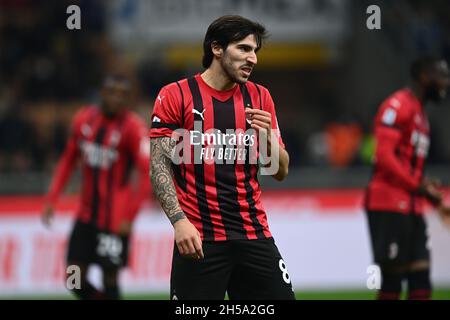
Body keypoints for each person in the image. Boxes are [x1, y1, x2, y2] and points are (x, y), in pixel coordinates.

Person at [149, 15, 294, 300]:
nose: (252, 58)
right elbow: (158, 165)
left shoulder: (260, 97)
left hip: (253, 235)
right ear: (217, 48)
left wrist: (266, 137)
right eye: (243, 49)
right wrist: (179, 221)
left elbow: (279, 170)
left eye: (254, 51)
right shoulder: (175, 95)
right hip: (200, 240)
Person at [42, 74, 150, 300]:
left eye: (122, 95)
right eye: (112, 92)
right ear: (102, 93)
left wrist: (129, 217)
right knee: (73, 279)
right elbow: (68, 160)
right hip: (85, 217)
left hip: (114, 221)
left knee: (110, 278)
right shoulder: (84, 119)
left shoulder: (133, 127)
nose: (116, 99)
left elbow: (147, 174)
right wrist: (52, 198)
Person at [364, 56, 450, 300]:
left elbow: (408, 167)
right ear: (424, 76)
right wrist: (419, 186)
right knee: (392, 282)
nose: (446, 81)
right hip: (388, 206)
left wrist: (434, 199)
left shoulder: (420, 115)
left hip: (412, 208)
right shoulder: (397, 105)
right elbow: (384, 156)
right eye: (441, 75)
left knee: (421, 282)